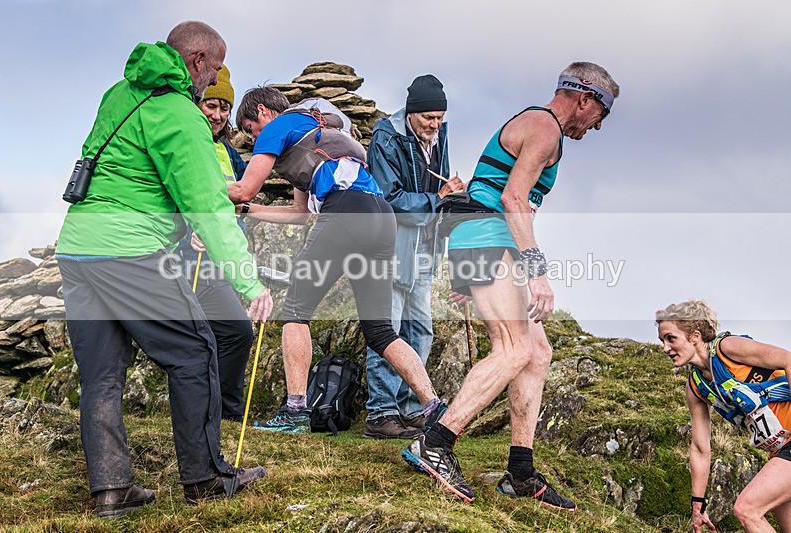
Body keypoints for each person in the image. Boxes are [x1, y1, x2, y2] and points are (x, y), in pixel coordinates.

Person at [55, 21, 272, 518]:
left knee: (102, 377)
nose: (212, 79)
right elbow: (208, 204)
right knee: (195, 352)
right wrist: (246, 280)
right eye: (214, 68)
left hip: (77, 247)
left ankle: (112, 489)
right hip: (128, 250)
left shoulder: (120, 93)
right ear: (197, 61)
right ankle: (206, 479)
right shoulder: (179, 114)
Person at [401, 62, 619, 505]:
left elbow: (503, 193)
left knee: (537, 352)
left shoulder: (538, 125)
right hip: (486, 235)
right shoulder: (545, 127)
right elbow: (513, 198)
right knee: (513, 348)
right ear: (585, 98)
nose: (597, 127)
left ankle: (520, 471)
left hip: (487, 240)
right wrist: (537, 272)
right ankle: (436, 443)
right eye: (603, 114)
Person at [228, 87, 445, 434]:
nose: (255, 139)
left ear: (263, 113)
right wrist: (248, 211)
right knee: (380, 330)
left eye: (251, 129)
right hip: (380, 216)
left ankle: (296, 410)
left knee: (296, 311)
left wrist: (201, 190)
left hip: (346, 211)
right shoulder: (317, 133)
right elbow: (299, 214)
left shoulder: (276, 128)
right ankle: (435, 408)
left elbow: (244, 188)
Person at [363, 74, 464, 439]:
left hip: (425, 246)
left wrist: (450, 195)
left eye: (439, 118)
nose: (434, 126)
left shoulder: (441, 133)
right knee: (386, 331)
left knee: (420, 330)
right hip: (391, 246)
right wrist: (438, 199)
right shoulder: (385, 138)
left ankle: (410, 408)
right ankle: (380, 413)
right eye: (428, 119)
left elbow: (438, 190)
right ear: (411, 113)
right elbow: (387, 199)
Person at [656, 300, 791, 533]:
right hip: (780, 451)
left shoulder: (728, 349)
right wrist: (697, 505)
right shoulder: (696, 387)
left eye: (671, 338)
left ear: (695, 336)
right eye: (662, 341)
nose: (665, 348)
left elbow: (788, 359)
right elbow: (700, 448)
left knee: (748, 509)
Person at [175, 64, 253, 422]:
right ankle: (211, 412)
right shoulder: (183, 141)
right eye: (211, 105)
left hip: (216, 259)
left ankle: (225, 413)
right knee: (202, 339)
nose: (218, 115)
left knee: (235, 331)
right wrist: (186, 226)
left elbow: (237, 202)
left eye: (224, 108)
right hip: (180, 259)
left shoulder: (229, 154)